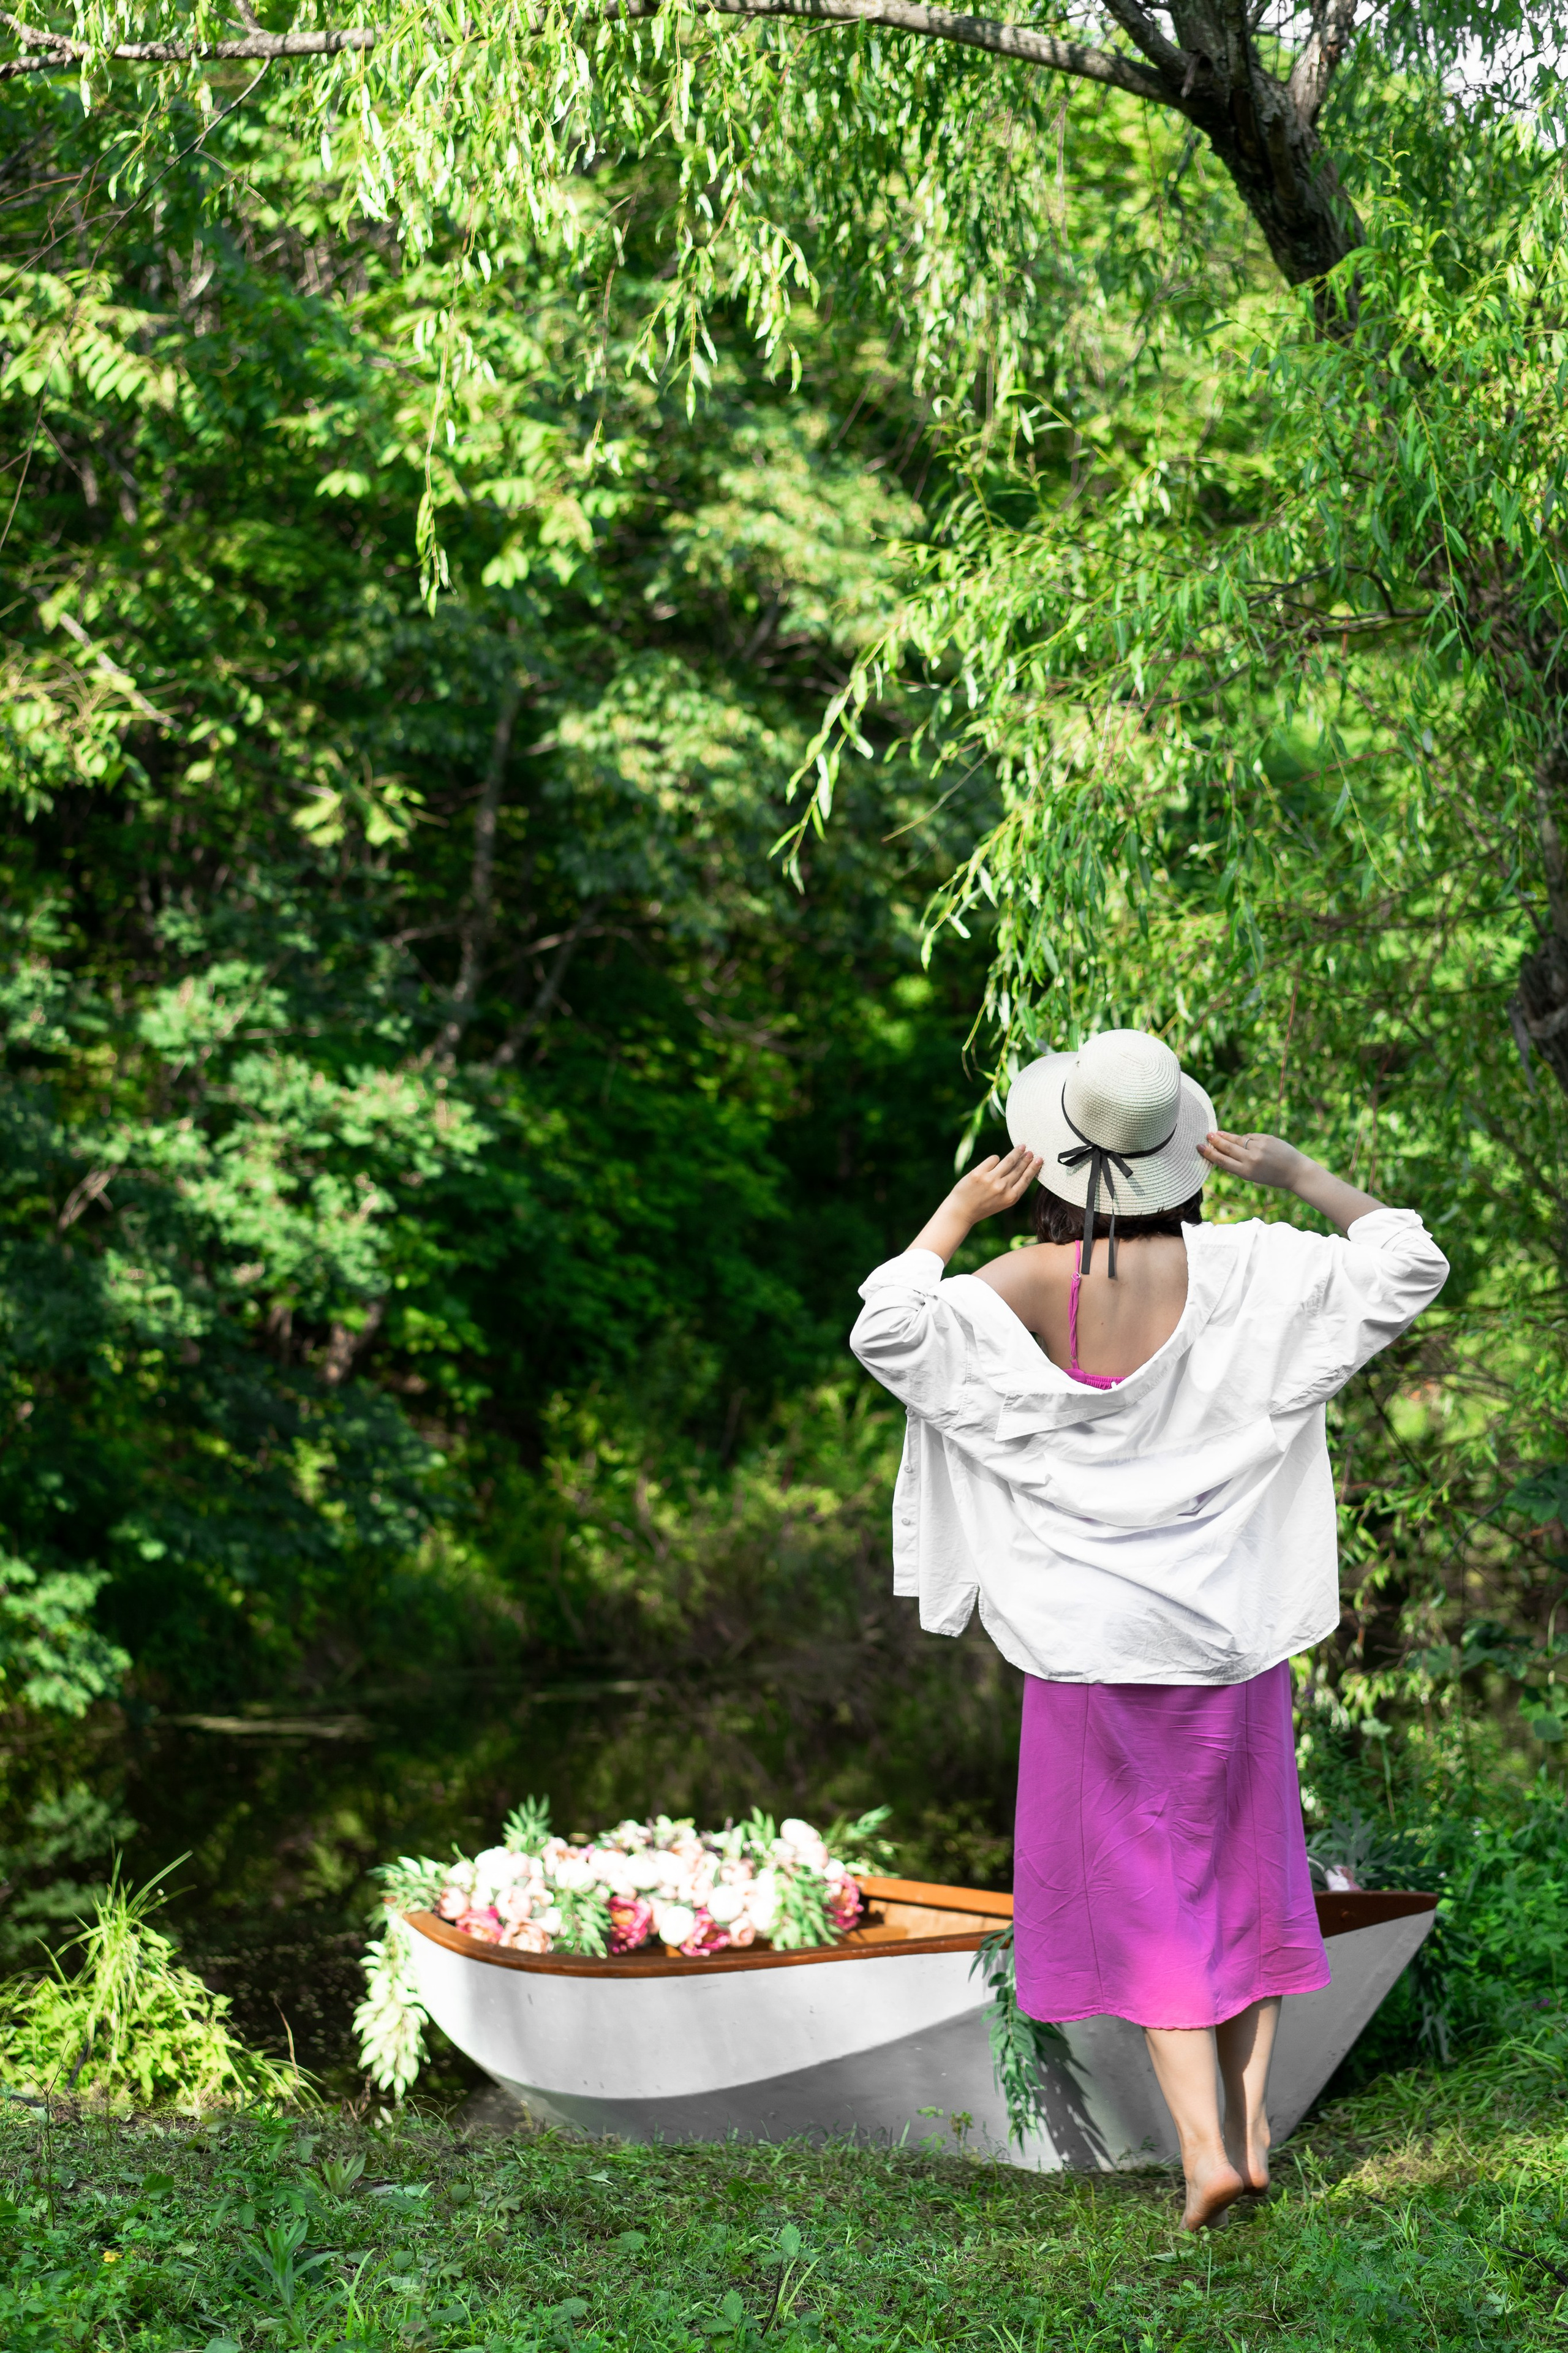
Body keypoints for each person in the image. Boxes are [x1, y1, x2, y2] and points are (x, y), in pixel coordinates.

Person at [849, 1027, 1448, 2229]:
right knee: (1243, 1874)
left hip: (1088, 1650)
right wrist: (1300, 1177)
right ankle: (1254, 2125)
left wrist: (954, 1217)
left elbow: (887, 1329)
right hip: (1227, 1637)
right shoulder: (1255, 1270)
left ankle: (1201, 2153)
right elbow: (1404, 1262)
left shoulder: (1021, 1285)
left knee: (1147, 1894)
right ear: (1180, 1151)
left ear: (1052, 1160)